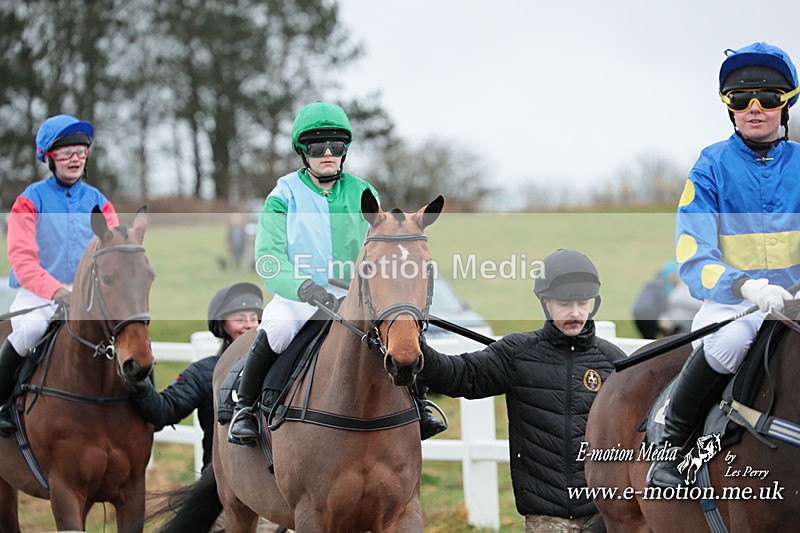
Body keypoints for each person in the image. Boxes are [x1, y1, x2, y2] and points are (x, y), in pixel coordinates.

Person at [227, 101, 446, 445]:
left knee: (402, 326)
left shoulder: (364, 192)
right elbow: (268, 258)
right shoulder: (282, 195)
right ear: (303, 151)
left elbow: (381, 245)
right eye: (317, 146)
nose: (328, 153)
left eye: (337, 146)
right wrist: (303, 287)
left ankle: (419, 403)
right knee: (278, 329)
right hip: (299, 295)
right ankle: (246, 405)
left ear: (345, 151)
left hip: (354, 296)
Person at [647, 42, 800, 488]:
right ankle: (671, 447)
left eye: (768, 99)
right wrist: (748, 289)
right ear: (729, 108)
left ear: (785, 104)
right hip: (737, 304)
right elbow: (694, 257)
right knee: (731, 340)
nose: (755, 108)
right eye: (741, 99)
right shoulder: (710, 165)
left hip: (795, 302)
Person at [419, 249, 625, 533]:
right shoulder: (517, 354)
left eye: (582, 303)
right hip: (546, 516)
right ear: (545, 302)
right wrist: (415, 349)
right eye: (565, 303)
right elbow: (460, 375)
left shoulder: (613, 361)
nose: (575, 313)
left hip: (604, 514)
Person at [0, 114, 118, 436]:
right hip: (38, 292)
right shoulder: (29, 200)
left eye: (81, 151)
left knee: (126, 332)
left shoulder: (99, 202)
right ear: (49, 158)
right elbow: (22, 261)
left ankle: (142, 405)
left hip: (88, 294)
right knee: (31, 330)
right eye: (67, 153)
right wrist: (56, 292)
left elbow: (114, 253)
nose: (75, 158)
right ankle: (4, 403)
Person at [132, 282, 263, 468]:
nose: (249, 325)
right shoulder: (203, 372)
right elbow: (165, 411)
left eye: (254, 318)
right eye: (240, 319)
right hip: (218, 482)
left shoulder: (279, 367)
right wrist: (138, 381)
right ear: (221, 325)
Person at [632, 260, 679, 339]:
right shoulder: (662, 285)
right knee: (651, 339)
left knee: (648, 338)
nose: (674, 278)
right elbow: (665, 306)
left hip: (637, 314)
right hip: (649, 315)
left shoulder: (653, 282)